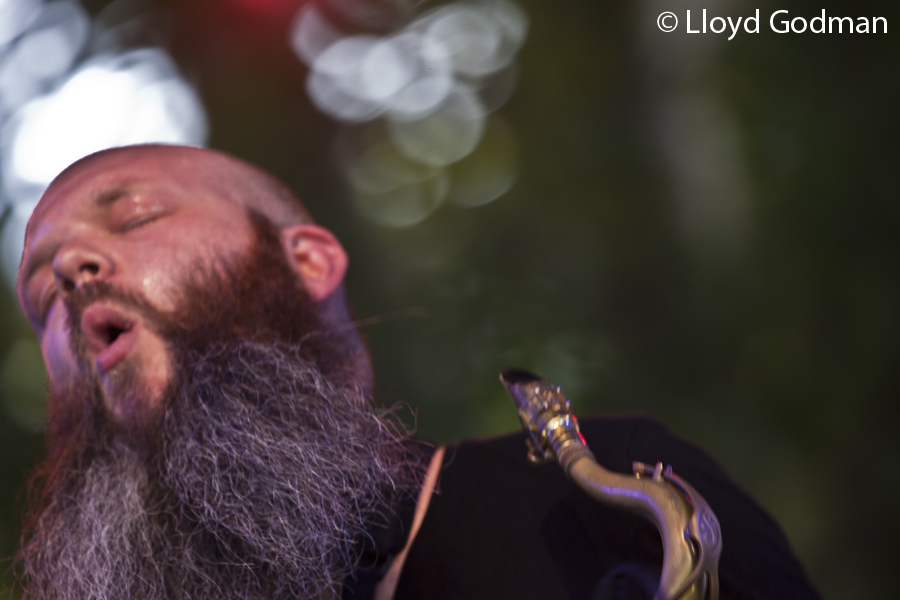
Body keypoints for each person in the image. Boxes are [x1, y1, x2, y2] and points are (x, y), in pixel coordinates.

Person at [13, 144, 820, 600]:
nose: (73, 270)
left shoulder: (602, 495)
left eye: (136, 217)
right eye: (42, 291)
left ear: (308, 261)